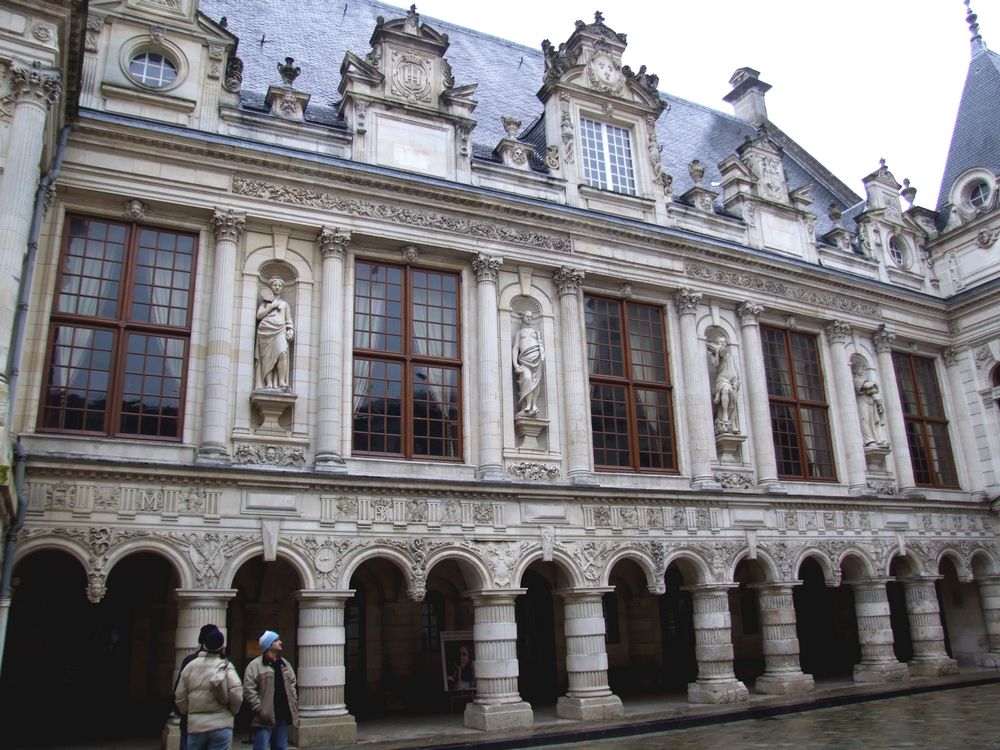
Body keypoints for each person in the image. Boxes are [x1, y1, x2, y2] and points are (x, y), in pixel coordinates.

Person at [174, 625, 243, 750]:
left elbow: (179, 696)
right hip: (221, 724)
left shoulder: (190, 665)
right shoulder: (226, 665)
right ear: (222, 646)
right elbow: (237, 694)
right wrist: (232, 711)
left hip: (196, 726)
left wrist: (188, 712)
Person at [244, 630, 298, 750]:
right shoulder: (255, 665)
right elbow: (249, 689)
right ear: (268, 645)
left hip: (282, 714)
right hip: (264, 717)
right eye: (276, 640)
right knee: (261, 747)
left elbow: (292, 682)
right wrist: (260, 708)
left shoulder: (284, 663)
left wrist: (292, 700)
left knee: (280, 747)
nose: (280, 642)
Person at [173, 623, 219, 750]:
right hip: (215, 722)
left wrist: (183, 712)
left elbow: (179, 693)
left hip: (191, 720)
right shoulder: (225, 663)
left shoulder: (189, 661)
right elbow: (235, 695)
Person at [256, 277, 295, 389]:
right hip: (265, 331)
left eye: (279, 285)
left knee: (282, 353)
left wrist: (290, 330)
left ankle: (281, 381)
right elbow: (259, 315)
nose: (277, 287)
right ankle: (268, 383)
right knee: (267, 357)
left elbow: (288, 320)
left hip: (280, 331)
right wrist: (272, 306)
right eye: (275, 285)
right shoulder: (265, 303)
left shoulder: (284, 304)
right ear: (270, 287)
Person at [512, 311, 544, 416]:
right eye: (527, 316)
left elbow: (541, 346)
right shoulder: (519, 333)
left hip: (536, 358)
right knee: (527, 379)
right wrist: (515, 363)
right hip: (524, 359)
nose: (529, 318)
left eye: (531, 317)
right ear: (522, 318)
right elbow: (516, 348)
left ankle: (534, 405)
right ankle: (528, 404)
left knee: (536, 382)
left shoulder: (536, 331)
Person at [707, 336, 740, 434]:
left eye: (725, 342)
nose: (723, 344)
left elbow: (736, 369)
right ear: (717, 343)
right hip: (722, 380)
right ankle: (725, 414)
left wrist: (737, 380)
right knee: (725, 390)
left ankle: (733, 423)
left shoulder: (730, 356)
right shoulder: (715, 354)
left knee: (733, 402)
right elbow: (716, 364)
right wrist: (717, 352)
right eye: (721, 342)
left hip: (732, 382)